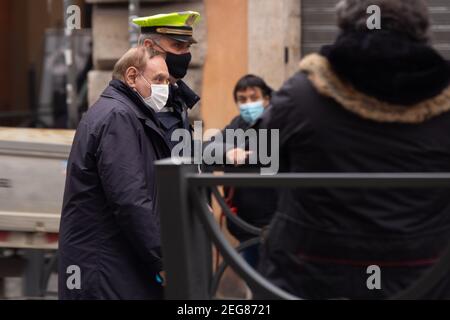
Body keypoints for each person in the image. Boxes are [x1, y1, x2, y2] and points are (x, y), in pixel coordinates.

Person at [258, 0, 450, 299]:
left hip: (311, 274)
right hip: (424, 276)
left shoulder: (303, 94)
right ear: (421, 29)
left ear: (345, 24)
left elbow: (263, 149)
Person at [58, 46, 171, 300]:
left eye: (167, 80)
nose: (166, 88)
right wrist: (161, 259)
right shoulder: (118, 116)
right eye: (159, 80)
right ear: (131, 77)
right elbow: (129, 198)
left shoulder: (122, 112)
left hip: (109, 263)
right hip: (106, 267)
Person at [221, 75, 278, 268]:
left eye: (254, 98)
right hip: (244, 226)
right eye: (242, 99)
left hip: (275, 224)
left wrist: (239, 151)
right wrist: (228, 151)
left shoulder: (279, 120)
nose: (248, 104)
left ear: (267, 99)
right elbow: (211, 146)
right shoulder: (237, 123)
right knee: (254, 282)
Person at [133, 12, 201, 150]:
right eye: (177, 46)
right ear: (149, 46)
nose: (185, 54)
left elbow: (182, 150)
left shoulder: (176, 94)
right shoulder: (136, 99)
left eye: (187, 46)